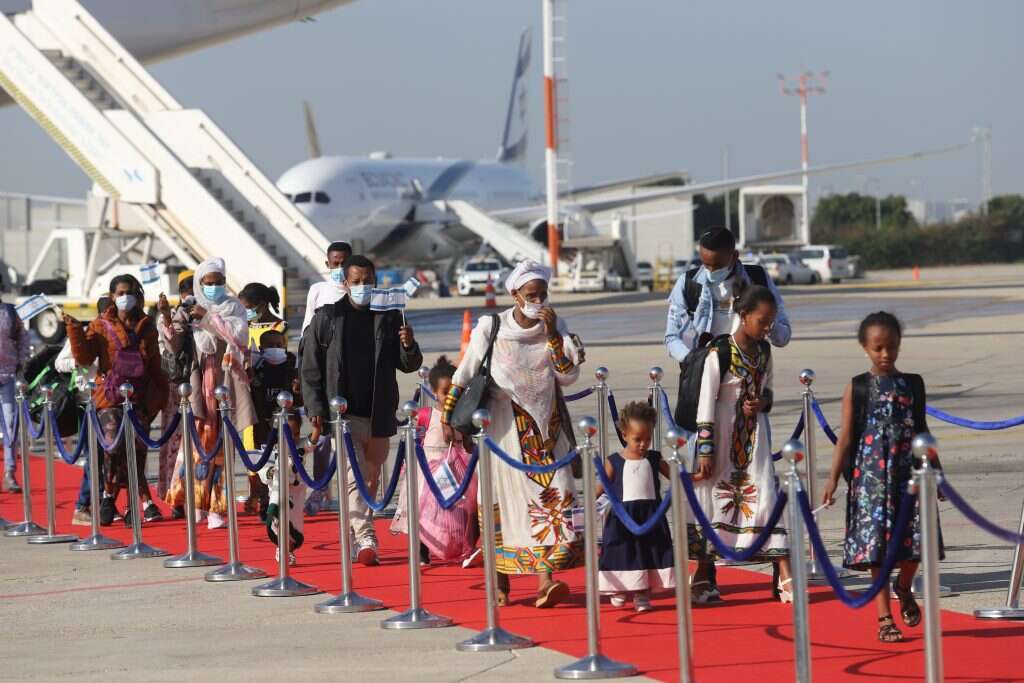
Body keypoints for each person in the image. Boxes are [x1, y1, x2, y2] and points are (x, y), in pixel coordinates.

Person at [442, 259, 583, 609]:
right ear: (515, 294)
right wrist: (447, 416)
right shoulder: (492, 327)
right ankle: (500, 581)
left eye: (543, 294)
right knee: (502, 503)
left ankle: (546, 580)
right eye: (531, 295)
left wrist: (552, 336)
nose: (538, 300)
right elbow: (465, 372)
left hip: (546, 429)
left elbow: (567, 376)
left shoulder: (556, 326)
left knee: (553, 495)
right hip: (502, 429)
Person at [665, 227, 791, 597]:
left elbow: (782, 331)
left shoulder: (756, 278)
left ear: (732, 256)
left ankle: (779, 565)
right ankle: (705, 570)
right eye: (704, 263)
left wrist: (765, 328)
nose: (709, 270)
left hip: (749, 385)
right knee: (707, 482)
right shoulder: (688, 284)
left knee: (763, 484)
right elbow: (671, 335)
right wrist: (696, 361)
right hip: (707, 386)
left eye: (716, 264)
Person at [822, 312, 941, 644]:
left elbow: (922, 429)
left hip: (910, 474)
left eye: (891, 347)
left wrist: (937, 472)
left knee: (916, 544)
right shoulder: (858, 386)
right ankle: (884, 617)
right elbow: (845, 438)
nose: (885, 355)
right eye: (878, 348)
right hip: (872, 478)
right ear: (865, 348)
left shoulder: (913, 384)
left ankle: (904, 587)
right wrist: (832, 478)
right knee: (878, 549)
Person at [301, 254, 422, 567]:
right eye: (356, 282)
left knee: (371, 478)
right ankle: (367, 536)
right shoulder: (327, 317)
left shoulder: (390, 316)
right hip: (344, 414)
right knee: (355, 476)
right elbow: (310, 367)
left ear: (376, 281)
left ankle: (357, 532)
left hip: (379, 412)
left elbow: (409, 366)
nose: (362, 287)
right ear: (345, 283)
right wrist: (315, 406)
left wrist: (409, 345)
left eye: (368, 281)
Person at [688, 285, 791, 603]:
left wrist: (761, 403)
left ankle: (784, 574)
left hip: (755, 438)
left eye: (771, 321)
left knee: (765, 495)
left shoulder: (764, 351)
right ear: (743, 315)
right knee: (712, 499)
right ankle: (703, 576)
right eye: (762, 321)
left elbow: (769, 390)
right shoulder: (720, 351)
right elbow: (706, 400)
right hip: (721, 433)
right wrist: (705, 449)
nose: (767, 328)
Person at [65, 274, 168, 526]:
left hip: (139, 398)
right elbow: (85, 358)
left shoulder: (147, 326)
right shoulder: (100, 325)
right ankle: (116, 495)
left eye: (130, 292)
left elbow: (154, 365)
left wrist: (163, 396)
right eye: (121, 293)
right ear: (112, 296)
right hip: (108, 397)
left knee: (137, 451)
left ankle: (123, 500)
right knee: (112, 445)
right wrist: (74, 331)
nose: (125, 297)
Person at [166, 258, 256, 530]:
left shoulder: (233, 307)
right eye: (209, 283)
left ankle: (216, 506)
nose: (214, 287)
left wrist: (205, 318)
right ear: (200, 283)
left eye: (219, 282)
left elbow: (237, 335)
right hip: (198, 382)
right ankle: (194, 503)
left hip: (224, 380)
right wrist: (167, 318)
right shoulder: (188, 308)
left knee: (221, 445)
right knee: (196, 443)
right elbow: (174, 343)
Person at [391, 355, 478, 565]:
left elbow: (467, 445)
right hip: (428, 472)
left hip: (455, 472)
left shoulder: (461, 417)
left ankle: (465, 546)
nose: (449, 397)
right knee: (425, 511)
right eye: (444, 392)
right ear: (434, 391)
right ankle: (422, 548)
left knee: (461, 510)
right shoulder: (426, 415)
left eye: (453, 392)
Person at [595, 401, 674, 613]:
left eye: (647, 439)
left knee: (647, 553)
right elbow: (599, 488)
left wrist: (695, 477)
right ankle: (618, 588)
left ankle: (642, 594)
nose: (643, 444)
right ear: (624, 434)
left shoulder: (655, 458)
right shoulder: (614, 461)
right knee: (621, 553)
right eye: (637, 439)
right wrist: (583, 507)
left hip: (651, 515)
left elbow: (676, 477)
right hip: (623, 517)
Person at [238, 281, 286, 514]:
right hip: (249, 391)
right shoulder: (243, 325)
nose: (246, 311)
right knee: (250, 442)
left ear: (262, 304)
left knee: (273, 443)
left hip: (272, 391)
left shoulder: (280, 325)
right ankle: (255, 491)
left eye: (248, 306)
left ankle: (271, 492)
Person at [62, 295, 110, 525]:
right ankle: (83, 505)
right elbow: (60, 362)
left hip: (108, 401)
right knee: (94, 457)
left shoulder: (115, 333)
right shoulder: (90, 331)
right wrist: (80, 361)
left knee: (106, 457)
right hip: (87, 404)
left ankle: (102, 503)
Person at [156, 271, 195, 512]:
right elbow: (171, 343)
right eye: (186, 290)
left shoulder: (206, 313)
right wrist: (164, 315)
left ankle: (198, 494)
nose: (190, 295)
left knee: (199, 443)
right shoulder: (171, 316)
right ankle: (175, 495)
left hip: (200, 383)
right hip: (175, 385)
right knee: (174, 442)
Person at [249, 328, 298, 519]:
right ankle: (264, 503)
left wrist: (296, 389)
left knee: (288, 466)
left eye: (280, 345)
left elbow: (299, 400)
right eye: (271, 346)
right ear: (261, 348)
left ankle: (285, 503)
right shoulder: (256, 368)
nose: (277, 349)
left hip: (287, 427)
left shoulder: (291, 366)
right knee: (264, 468)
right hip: (262, 426)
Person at [0, 289, 29, 493]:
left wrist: (21, 360)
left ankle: (10, 472)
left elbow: (23, 338)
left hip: (8, 376)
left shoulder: (10, 312)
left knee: (11, 425)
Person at [301, 241, 352, 334]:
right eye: (335, 264)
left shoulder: (358, 291)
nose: (340, 268)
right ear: (328, 264)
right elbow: (308, 323)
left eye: (344, 263)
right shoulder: (317, 290)